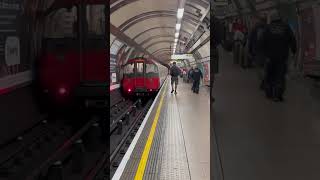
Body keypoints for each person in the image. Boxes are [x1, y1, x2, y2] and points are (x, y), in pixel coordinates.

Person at [261, 11, 297, 102]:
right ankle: (277, 95)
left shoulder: (267, 28)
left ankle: (269, 93)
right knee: (280, 76)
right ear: (280, 18)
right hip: (282, 57)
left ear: (272, 19)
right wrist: (294, 50)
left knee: (269, 75)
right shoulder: (286, 27)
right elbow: (292, 39)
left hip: (269, 57)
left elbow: (261, 42)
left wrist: (263, 54)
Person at [248, 14, 268, 88]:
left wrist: (250, 51)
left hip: (257, 51)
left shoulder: (255, 29)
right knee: (264, 67)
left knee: (259, 67)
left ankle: (263, 80)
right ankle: (264, 80)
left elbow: (251, 40)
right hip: (266, 52)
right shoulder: (268, 28)